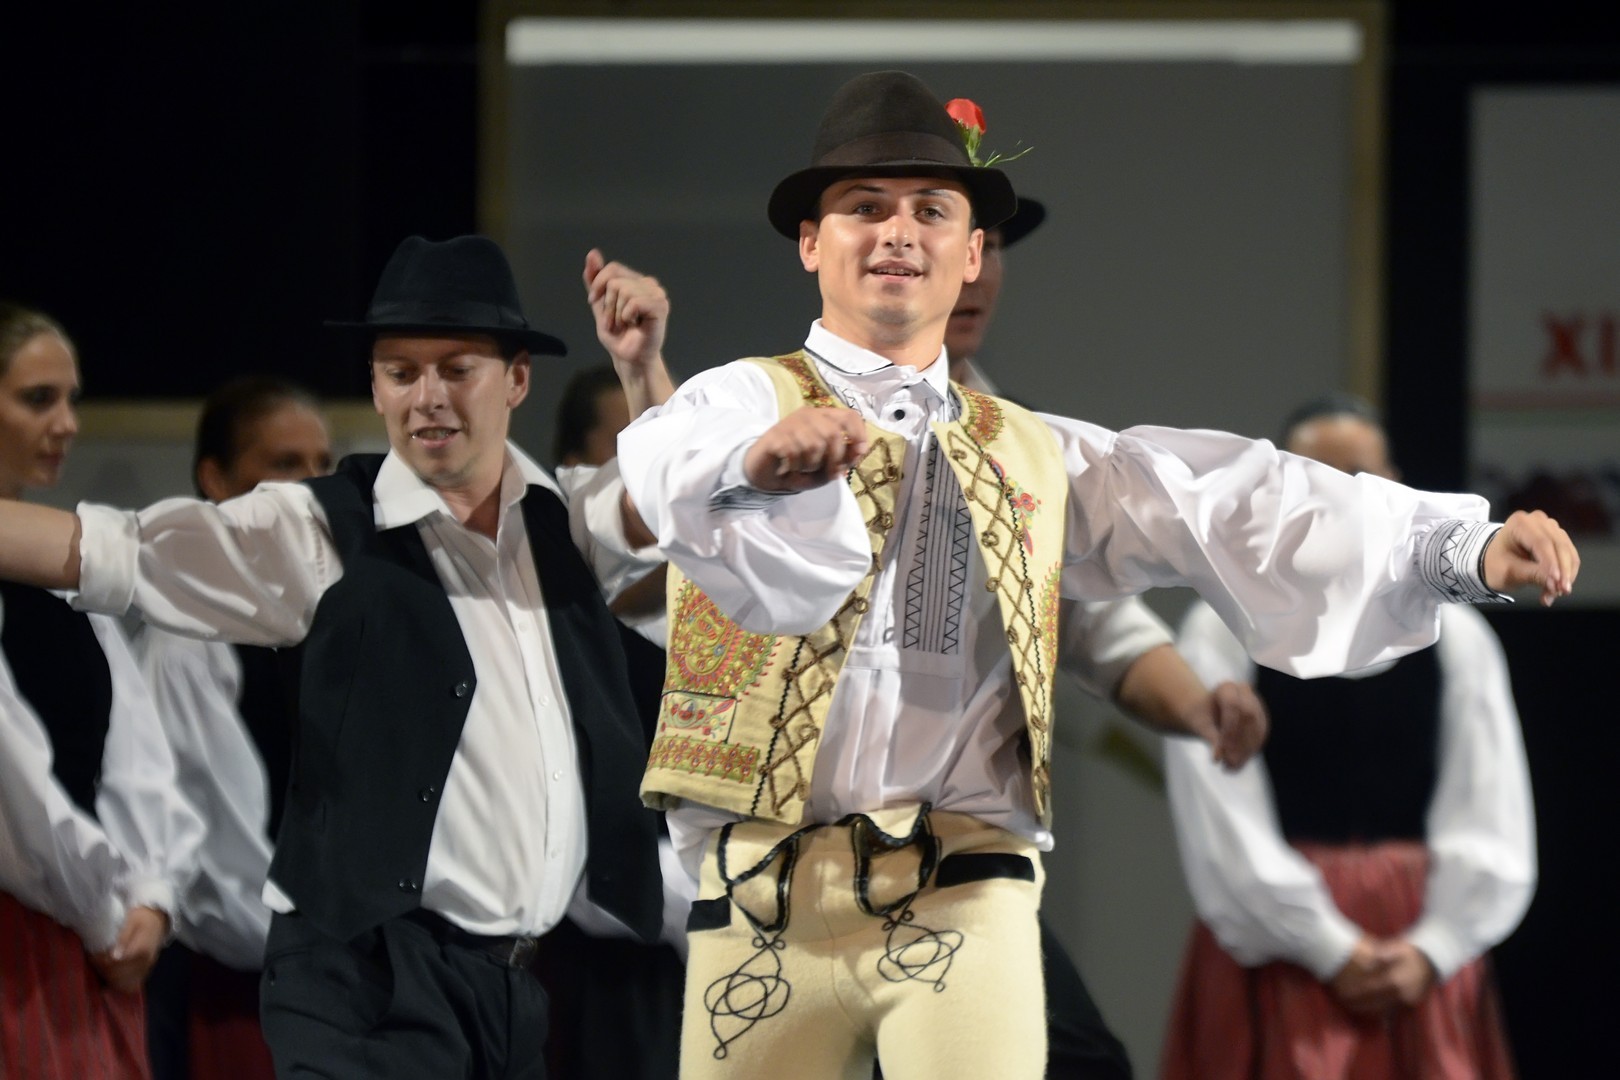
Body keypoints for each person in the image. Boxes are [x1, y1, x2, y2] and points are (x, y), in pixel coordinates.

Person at [611, 71, 1577, 1079]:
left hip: (960, 885)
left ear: (972, 252)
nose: (898, 230)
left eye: (931, 210)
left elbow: (1229, 501)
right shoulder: (737, 402)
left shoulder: (1035, 455)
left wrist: (1455, 548)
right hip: (765, 892)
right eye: (865, 206)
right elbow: (671, 460)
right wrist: (759, 464)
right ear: (812, 242)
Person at [0, 236, 675, 1079]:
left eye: (456, 369)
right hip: (366, 989)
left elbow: (673, 499)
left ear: (516, 379)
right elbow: (106, 549)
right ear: (376, 386)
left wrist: (642, 367)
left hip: (510, 992)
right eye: (400, 372)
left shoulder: (561, 521)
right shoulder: (319, 528)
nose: (427, 397)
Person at [1159, 395, 1532, 1080]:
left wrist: (1435, 946)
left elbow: (1490, 801)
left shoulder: (1456, 635)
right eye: (1314, 477)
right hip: (1280, 947)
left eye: (1361, 478)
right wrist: (1327, 947)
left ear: (1394, 484)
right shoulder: (1224, 629)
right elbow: (1219, 814)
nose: (1340, 499)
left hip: (1419, 943)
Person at [0, 302, 202, 1079]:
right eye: (38, 399)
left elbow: (137, 761)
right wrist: (108, 911)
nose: (67, 423)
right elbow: (20, 798)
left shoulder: (65, 585)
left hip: (90, 941)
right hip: (31, 932)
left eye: (72, 399)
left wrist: (152, 895)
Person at [137, 376, 332, 1080]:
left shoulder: (335, 618)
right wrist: (325, 954)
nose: (311, 486)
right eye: (284, 464)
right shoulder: (191, 635)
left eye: (323, 464)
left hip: (332, 980)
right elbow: (219, 855)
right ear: (216, 480)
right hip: (240, 987)